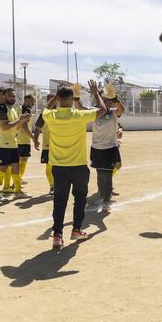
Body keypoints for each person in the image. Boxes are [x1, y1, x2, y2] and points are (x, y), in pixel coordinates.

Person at [42, 81, 107, 249]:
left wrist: (55, 97)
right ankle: (76, 230)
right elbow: (103, 110)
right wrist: (95, 93)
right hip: (78, 166)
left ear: (58, 98)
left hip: (59, 167)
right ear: (72, 99)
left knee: (59, 201)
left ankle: (57, 235)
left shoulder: (51, 116)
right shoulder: (79, 116)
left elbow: (46, 109)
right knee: (79, 199)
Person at [74, 83, 124, 212]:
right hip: (96, 148)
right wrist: (76, 97)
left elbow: (121, 110)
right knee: (100, 175)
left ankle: (106, 201)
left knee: (107, 176)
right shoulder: (94, 111)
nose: (106, 102)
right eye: (104, 100)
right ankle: (102, 196)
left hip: (110, 148)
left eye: (108, 100)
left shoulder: (113, 112)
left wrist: (115, 98)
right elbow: (79, 108)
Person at [0, 88, 31, 200]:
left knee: (15, 168)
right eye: (9, 96)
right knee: (2, 168)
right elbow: (4, 127)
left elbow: (16, 127)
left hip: (13, 144)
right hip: (3, 144)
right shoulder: (1, 109)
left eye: (13, 96)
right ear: (4, 96)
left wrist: (24, 120)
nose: (12, 98)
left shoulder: (12, 109)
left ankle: (18, 191)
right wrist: (20, 120)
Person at [34, 94, 56, 194]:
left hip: (59, 146)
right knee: (49, 168)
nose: (51, 101)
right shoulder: (43, 114)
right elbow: (38, 128)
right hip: (47, 146)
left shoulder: (59, 113)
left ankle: (59, 186)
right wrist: (35, 140)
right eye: (49, 100)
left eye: (53, 99)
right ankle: (52, 186)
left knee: (59, 168)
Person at [18, 94, 37, 182]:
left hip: (17, 139)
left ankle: (17, 179)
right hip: (24, 140)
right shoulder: (27, 110)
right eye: (33, 102)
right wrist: (33, 138)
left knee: (17, 161)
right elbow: (24, 127)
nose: (33, 104)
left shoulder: (18, 109)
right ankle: (17, 179)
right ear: (28, 101)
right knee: (24, 160)